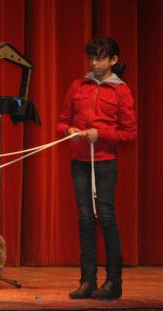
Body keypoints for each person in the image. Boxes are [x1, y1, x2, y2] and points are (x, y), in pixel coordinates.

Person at [57, 37, 136, 300]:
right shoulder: (78, 85)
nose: (94, 63)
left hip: (105, 163)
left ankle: (114, 282)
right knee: (85, 219)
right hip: (80, 161)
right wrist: (70, 131)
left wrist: (99, 134)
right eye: (91, 57)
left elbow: (129, 133)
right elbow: (61, 122)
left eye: (100, 58)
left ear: (113, 60)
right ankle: (87, 281)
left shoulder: (121, 91)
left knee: (106, 216)